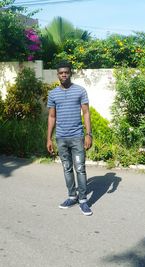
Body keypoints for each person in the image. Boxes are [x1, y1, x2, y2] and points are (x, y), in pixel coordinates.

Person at [47, 61, 93, 216]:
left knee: (80, 168)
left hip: (77, 136)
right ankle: (72, 196)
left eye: (66, 72)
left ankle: (83, 200)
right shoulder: (53, 94)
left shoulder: (80, 91)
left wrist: (88, 134)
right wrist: (49, 138)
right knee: (66, 168)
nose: (63, 75)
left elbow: (86, 113)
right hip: (61, 137)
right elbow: (52, 116)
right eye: (61, 73)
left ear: (70, 73)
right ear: (57, 74)